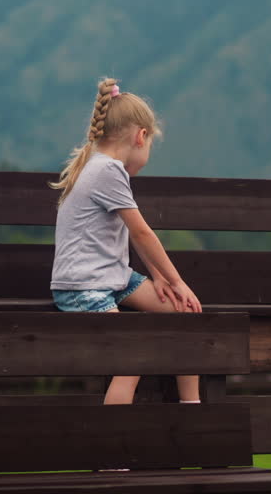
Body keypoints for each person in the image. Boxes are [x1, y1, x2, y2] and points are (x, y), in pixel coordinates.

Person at [49, 77, 203, 404]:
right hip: (82, 286)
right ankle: (114, 446)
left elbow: (134, 237)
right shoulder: (108, 170)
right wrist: (177, 281)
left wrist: (160, 279)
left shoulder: (97, 164)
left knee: (183, 312)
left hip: (112, 277)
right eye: (149, 146)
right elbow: (142, 232)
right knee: (132, 356)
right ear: (140, 136)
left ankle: (193, 407)